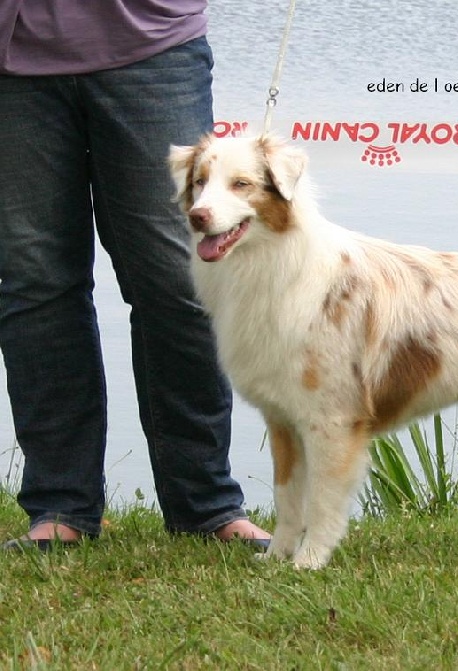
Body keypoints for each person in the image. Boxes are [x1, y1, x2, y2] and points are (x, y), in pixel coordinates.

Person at [0, 2, 272, 551]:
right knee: (36, 286)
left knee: (180, 283)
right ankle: (60, 508)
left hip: (151, 46)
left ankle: (205, 505)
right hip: (12, 63)